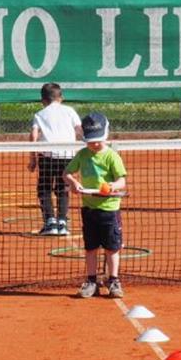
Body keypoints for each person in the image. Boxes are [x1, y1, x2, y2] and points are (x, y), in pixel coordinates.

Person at [64, 112, 127, 299]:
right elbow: (67, 173)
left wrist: (112, 187)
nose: (94, 144)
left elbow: (121, 180)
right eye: (91, 141)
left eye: (98, 140)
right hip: (89, 209)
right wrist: (73, 182)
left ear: (106, 135)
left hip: (109, 209)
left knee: (112, 247)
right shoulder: (82, 155)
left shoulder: (112, 156)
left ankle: (113, 280)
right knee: (90, 247)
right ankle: (91, 281)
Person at [28, 82, 83, 236]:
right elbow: (80, 130)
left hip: (47, 156)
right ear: (61, 98)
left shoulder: (39, 114)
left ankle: (50, 222)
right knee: (63, 189)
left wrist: (32, 159)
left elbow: (33, 135)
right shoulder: (70, 111)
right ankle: (62, 222)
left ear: (42, 100)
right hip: (67, 156)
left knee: (44, 189)